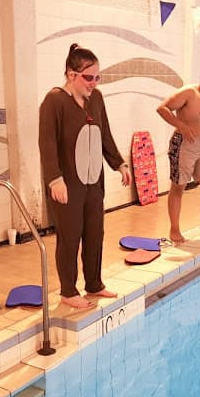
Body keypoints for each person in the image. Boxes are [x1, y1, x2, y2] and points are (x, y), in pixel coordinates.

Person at [38, 43, 131, 309]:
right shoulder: (54, 101)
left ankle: (94, 283)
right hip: (67, 184)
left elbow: (105, 134)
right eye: (88, 78)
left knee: (94, 233)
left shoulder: (96, 99)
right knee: (70, 237)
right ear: (71, 75)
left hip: (93, 182)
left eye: (97, 77)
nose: (93, 83)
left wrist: (119, 164)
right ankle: (68, 291)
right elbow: (47, 143)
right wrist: (54, 179)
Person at [156, 63, 200, 243]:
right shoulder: (188, 93)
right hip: (184, 144)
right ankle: (174, 230)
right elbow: (162, 108)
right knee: (179, 187)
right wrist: (181, 125)